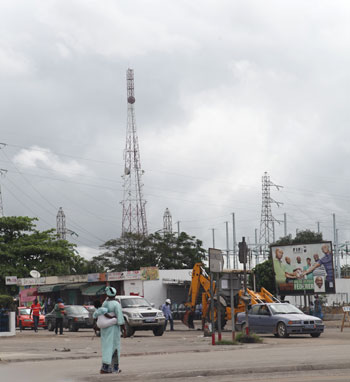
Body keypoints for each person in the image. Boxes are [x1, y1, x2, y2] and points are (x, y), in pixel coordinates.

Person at [93, 286, 125, 374]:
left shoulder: (104, 303)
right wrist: (124, 329)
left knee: (106, 347)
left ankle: (105, 367)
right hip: (113, 328)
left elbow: (101, 315)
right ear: (115, 294)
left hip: (105, 329)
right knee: (115, 347)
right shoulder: (116, 304)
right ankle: (114, 368)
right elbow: (120, 317)